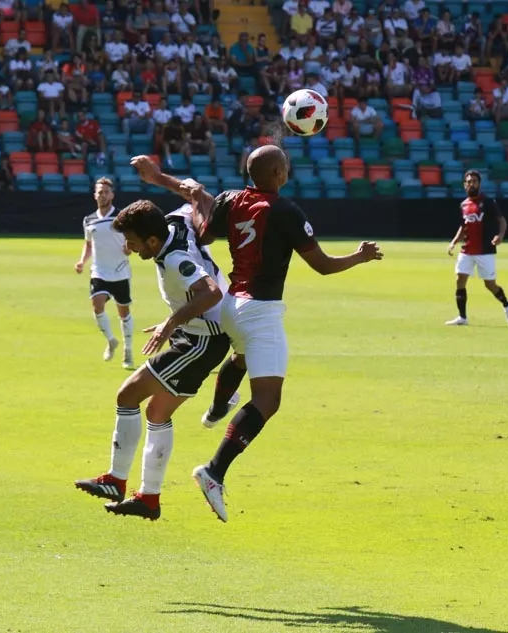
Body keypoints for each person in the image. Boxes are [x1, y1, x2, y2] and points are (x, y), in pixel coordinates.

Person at [132, 147, 384, 522]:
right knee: (268, 399)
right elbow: (323, 266)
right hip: (260, 312)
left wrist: (182, 190)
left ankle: (218, 407)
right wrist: (359, 256)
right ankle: (214, 471)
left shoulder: (231, 200)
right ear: (279, 173)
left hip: (232, 305)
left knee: (241, 357)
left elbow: (204, 232)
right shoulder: (286, 211)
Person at [74, 200, 234, 520]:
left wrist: (170, 323)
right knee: (157, 413)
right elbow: (191, 199)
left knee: (127, 394)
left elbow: (211, 292)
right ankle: (148, 498)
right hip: (197, 335)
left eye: (132, 241)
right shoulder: (175, 223)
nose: (128, 248)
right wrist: (163, 180)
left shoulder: (175, 259)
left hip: (201, 341)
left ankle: (116, 481)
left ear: (151, 240)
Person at [74, 178, 135, 369]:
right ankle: (111, 340)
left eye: (106, 192)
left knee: (123, 312)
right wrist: (82, 261)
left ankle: (128, 350)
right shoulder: (89, 220)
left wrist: (129, 248)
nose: (103, 195)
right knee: (97, 305)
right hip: (99, 271)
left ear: (112, 195)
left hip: (120, 271)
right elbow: (88, 244)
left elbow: (131, 240)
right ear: (95, 195)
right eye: (100, 192)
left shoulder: (121, 217)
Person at [445, 170, 508, 326]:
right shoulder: (464, 205)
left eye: (474, 181)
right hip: (467, 250)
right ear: (464, 185)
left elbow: (502, 221)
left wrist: (500, 236)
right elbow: (463, 226)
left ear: (479, 184)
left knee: (490, 285)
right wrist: (454, 242)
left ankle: (506, 304)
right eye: (469, 182)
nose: (472, 184)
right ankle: (462, 317)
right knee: (460, 279)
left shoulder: (488, 202)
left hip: (485, 250)